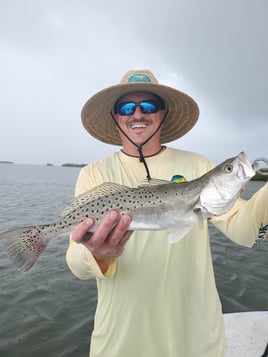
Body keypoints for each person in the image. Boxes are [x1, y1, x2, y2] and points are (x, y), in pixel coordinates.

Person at [66, 69, 268, 357]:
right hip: (120, 343)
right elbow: (76, 263)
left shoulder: (198, 166)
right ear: (115, 117)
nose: (138, 114)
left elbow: (248, 233)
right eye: (126, 107)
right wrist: (98, 253)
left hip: (197, 341)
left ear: (163, 113)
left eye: (148, 106)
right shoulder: (94, 174)